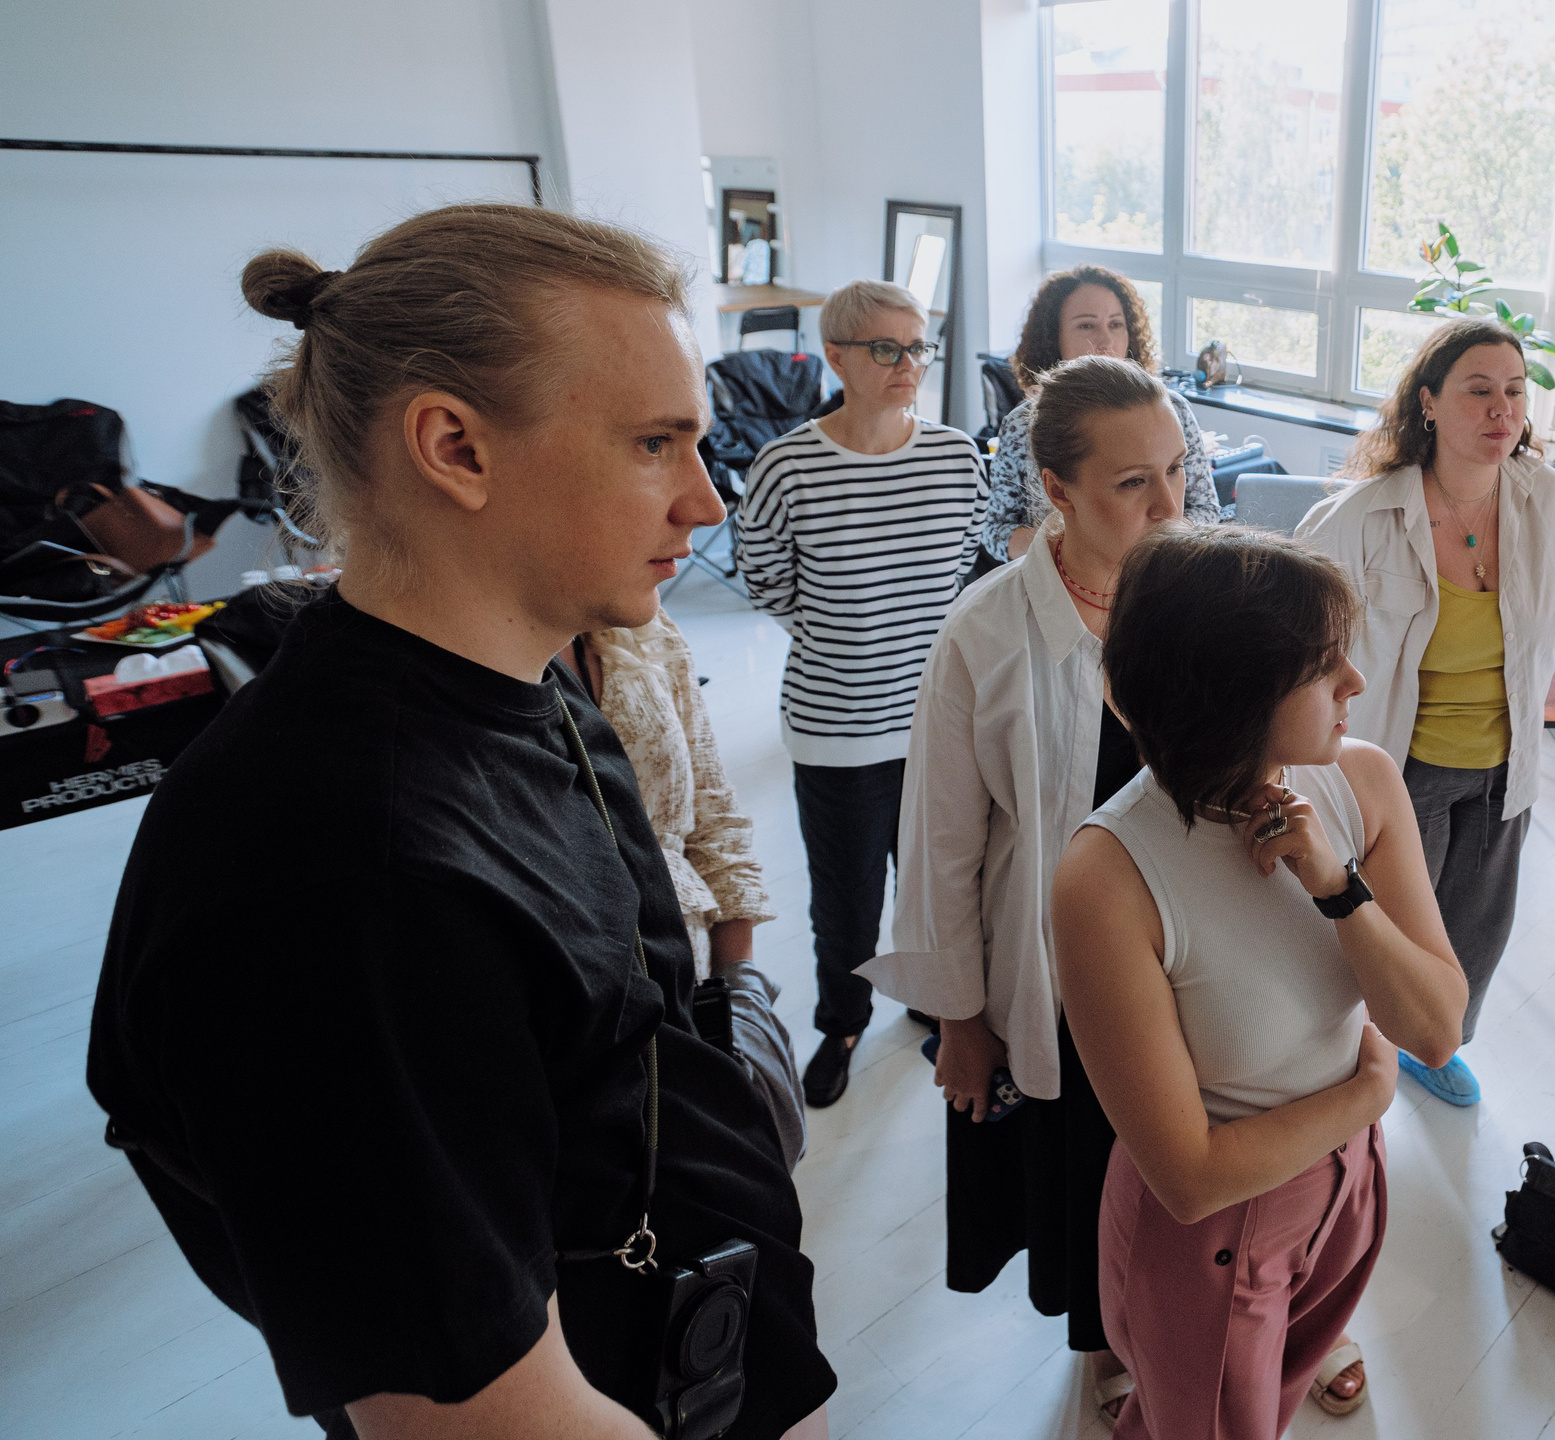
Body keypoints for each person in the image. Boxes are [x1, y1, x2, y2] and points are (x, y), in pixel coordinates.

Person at [86, 205, 831, 1438]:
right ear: (455, 448)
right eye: (656, 443)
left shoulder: (529, 684)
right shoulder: (345, 882)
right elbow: (484, 1415)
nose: (705, 499)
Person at [1052, 527, 1469, 1439]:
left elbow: (1436, 1026)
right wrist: (1367, 1093)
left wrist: (1339, 889)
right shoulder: (1110, 876)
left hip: (1349, 1189)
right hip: (1211, 1237)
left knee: (1268, 1403)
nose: (1356, 683)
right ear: (1232, 692)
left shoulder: (1361, 784)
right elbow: (1191, 1177)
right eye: (1324, 668)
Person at [862, 356, 1184, 1424]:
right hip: (1050, 972)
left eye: (1177, 471)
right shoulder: (986, 632)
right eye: (1133, 483)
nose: (1168, 505)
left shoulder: (1198, 604)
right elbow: (940, 845)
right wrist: (960, 1017)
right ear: (1053, 487)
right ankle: (1102, 1344)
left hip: (1186, 961)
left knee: (1179, 1159)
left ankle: (1191, 1320)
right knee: (1089, 1170)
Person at [1294, 317, 1555, 1109]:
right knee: (1386, 938)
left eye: (1515, 393)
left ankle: (1440, 1043)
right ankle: (1353, 1056)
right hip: (1402, 767)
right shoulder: (1358, 519)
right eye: (1478, 391)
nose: (1502, 410)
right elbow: (1299, 646)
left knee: (1477, 931)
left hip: (1505, 763)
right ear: (1428, 402)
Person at [736, 279, 989, 1109]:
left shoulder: (955, 456)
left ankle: (924, 994)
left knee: (936, 891)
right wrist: (851, 631)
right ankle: (842, 1021)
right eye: (887, 349)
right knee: (845, 909)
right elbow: (768, 585)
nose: (908, 364)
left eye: (917, 347)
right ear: (836, 355)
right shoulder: (786, 466)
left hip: (938, 727)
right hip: (838, 730)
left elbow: (965, 577)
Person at [565, 605, 805, 1166]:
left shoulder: (639, 622)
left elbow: (712, 806)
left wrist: (738, 992)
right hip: (582, 1040)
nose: (706, 514)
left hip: (692, 989)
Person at [981, 265, 1220, 564]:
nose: (1105, 340)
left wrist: (1153, 547)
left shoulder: (1173, 410)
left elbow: (1207, 510)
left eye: (1116, 324)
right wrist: (1073, 554)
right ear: (1053, 336)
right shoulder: (1021, 424)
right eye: (1087, 326)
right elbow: (995, 530)